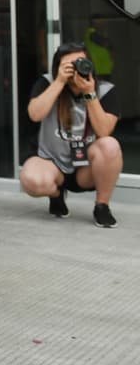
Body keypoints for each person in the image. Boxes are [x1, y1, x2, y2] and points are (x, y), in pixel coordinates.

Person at [19, 41, 123, 228]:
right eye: (69, 65)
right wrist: (59, 81)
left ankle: (102, 206)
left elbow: (104, 131)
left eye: (80, 62)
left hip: (86, 170)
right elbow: (35, 114)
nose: (76, 69)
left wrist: (89, 93)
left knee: (110, 145)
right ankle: (56, 194)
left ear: (89, 64)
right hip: (52, 163)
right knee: (30, 180)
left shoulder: (105, 90)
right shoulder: (48, 82)